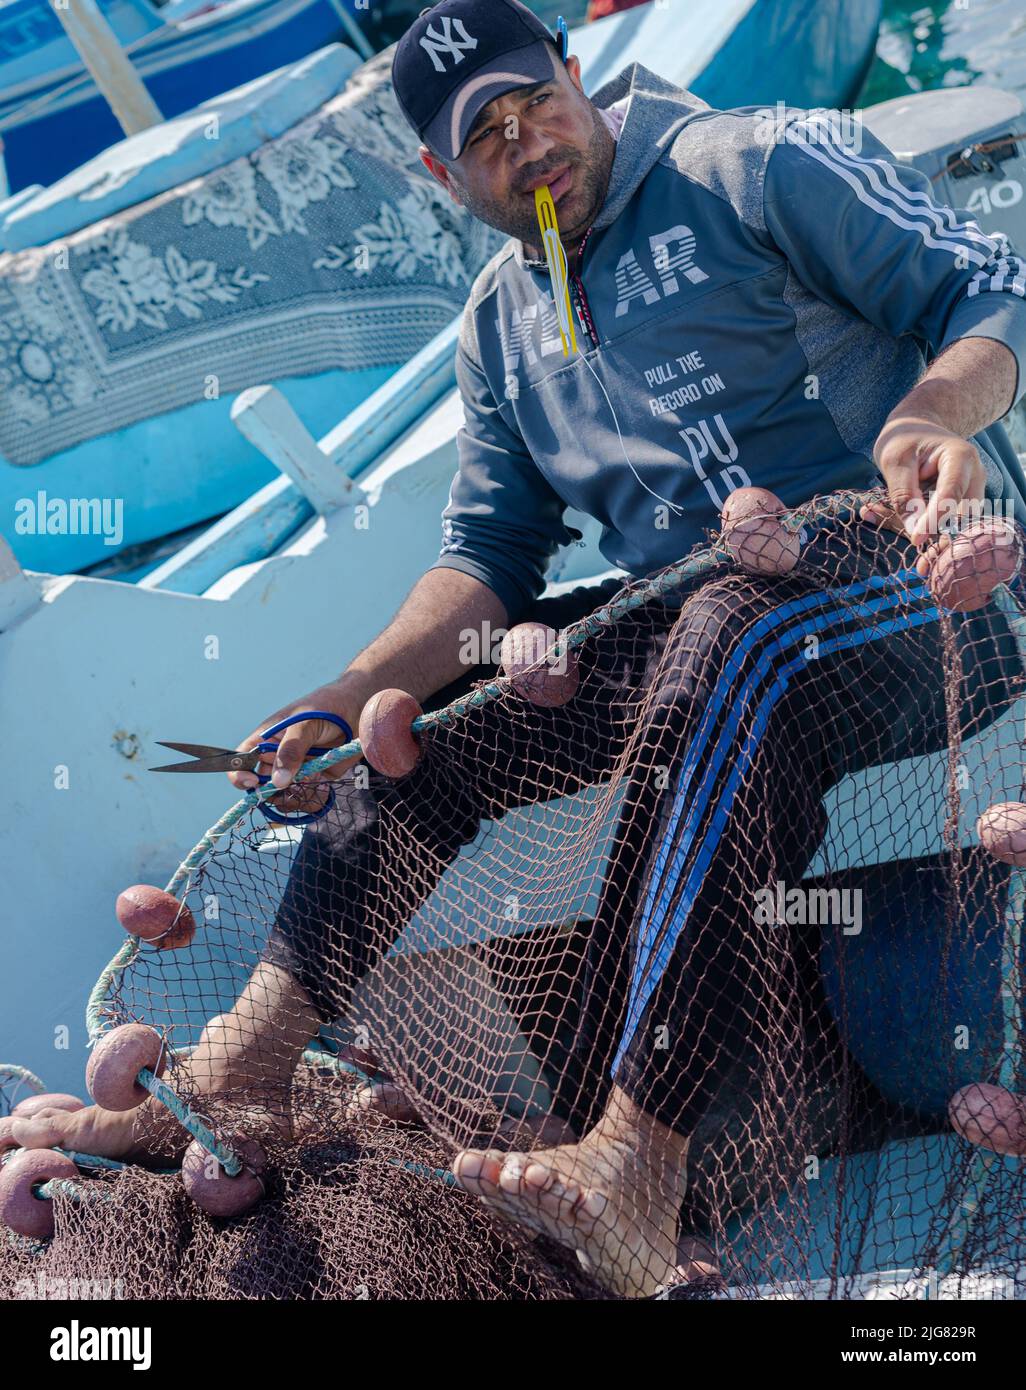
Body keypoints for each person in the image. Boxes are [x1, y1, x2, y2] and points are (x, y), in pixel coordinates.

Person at [19, 0, 1026, 1297]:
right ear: (446, 176)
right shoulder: (501, 325)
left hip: (908, 588)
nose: (523, 140)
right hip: (705, 630)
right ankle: (245, 1058)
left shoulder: (754, 158)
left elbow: (983, 282)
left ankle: (638, 1156)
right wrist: (343, 693)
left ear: (575, 74)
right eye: (482, 135)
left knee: (724, 630)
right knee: (416, 729)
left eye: (531, 98)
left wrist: (931, 416)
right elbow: (485, 553)